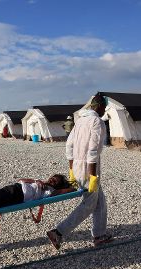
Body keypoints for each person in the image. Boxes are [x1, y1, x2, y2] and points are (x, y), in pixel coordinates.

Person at [46, 93, 112, 250]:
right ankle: (58, 232)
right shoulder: (97, 122)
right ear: (100, 106)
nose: (104, 110)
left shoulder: (80, 121)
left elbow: (69, 146)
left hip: (77, 168)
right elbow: (93, 150)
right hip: (89, 170)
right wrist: (93, 176)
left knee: (100, 202)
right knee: (89, 204)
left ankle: (99, 235)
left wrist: (71, 169)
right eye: (104, 107)